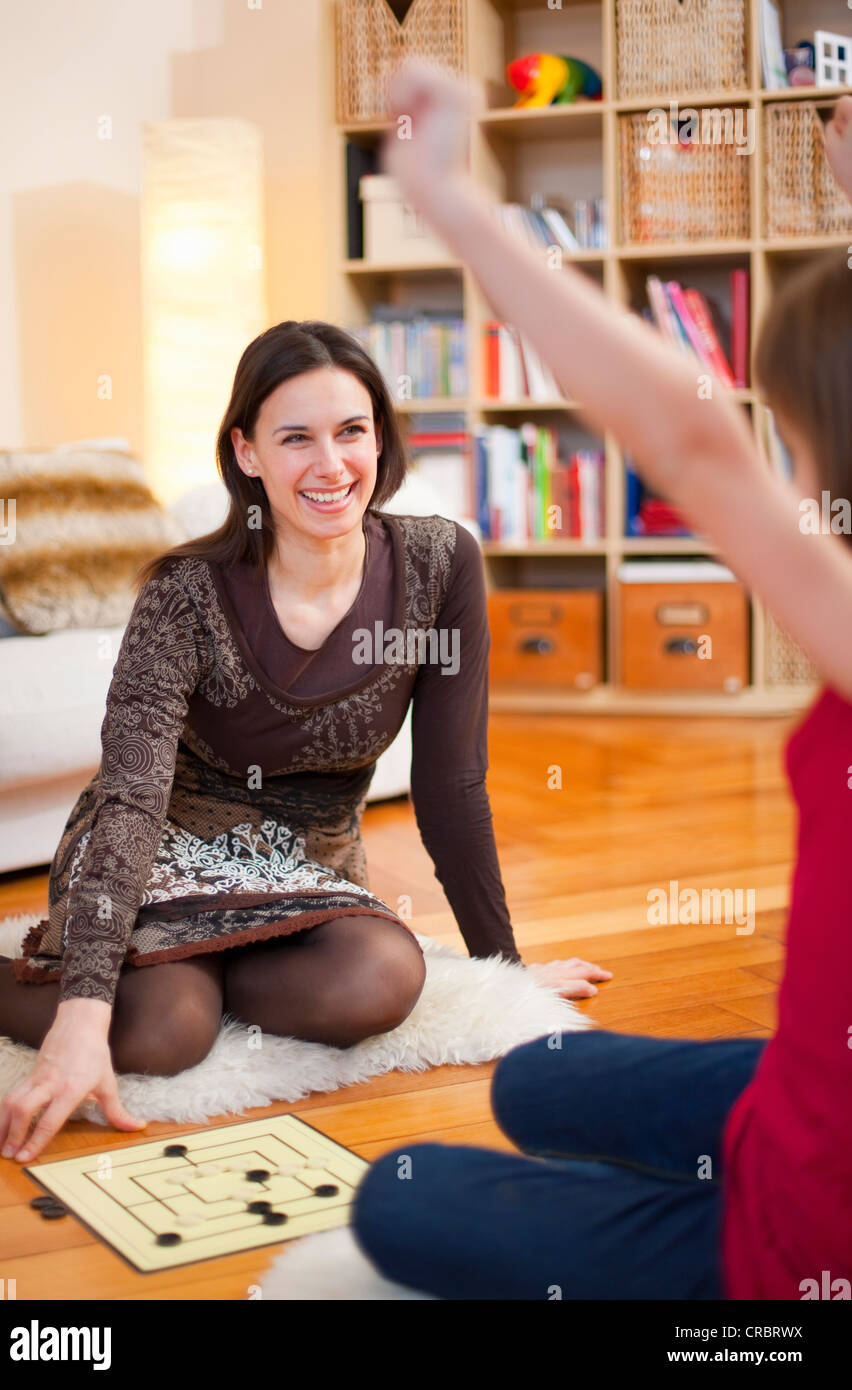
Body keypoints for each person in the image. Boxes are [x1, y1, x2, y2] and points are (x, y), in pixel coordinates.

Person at [351, 68, 852, 1300]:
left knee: (393, 1197)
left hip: (805, 1239)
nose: (787, 488)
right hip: (806, 1077)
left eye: (795, 445)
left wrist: (450, 200)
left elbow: (687, 435)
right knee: (530, 1075)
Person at [0, 321, 610, 1164]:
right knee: (164, 1031)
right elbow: (132, 794)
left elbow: (451, 786)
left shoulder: (441, 565)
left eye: (351, 431)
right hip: (160, 847)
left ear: (380, 434)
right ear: (248, 452)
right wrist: (84, 1015)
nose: (331, 464)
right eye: (295, 437)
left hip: (302, 872)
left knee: (383, 977)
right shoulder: (183, 595)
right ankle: (32, 981)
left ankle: (190, 972)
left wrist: (502, 968)